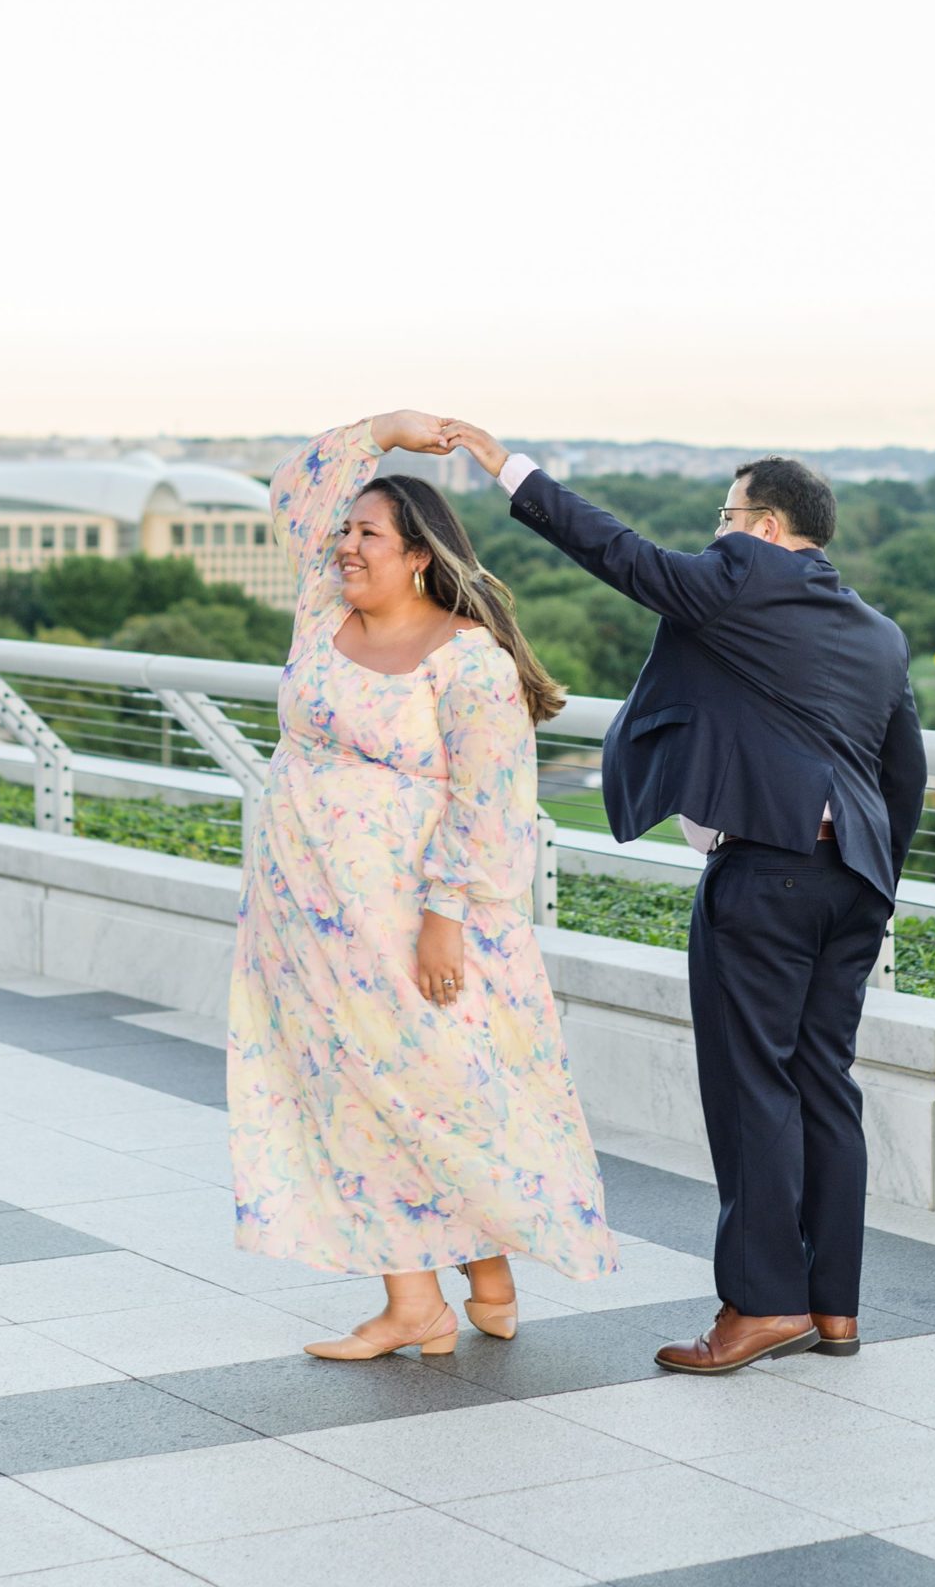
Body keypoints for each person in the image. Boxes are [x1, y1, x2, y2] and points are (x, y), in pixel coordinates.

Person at [444, 420, 926, 1375]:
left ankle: (758, 1307)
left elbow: (621, 557)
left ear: (769, 526)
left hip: (768, 872)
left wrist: (509, 469)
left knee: (751, 1092)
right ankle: (833, 1308)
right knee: (824, 1088)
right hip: (855, 883)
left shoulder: (745, 580)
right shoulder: (875, 631)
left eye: (727, 515)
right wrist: (875, 876)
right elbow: (900, 768)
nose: (716, 534)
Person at [228, 411, 617, 1360]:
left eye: (368, 534)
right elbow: (292, 489)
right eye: (346, 532)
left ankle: (453, 1287)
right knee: (354, 1090)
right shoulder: (325, 615)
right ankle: (448, 1291)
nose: (346, 545)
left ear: (417, 558)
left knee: (436, 1092)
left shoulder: (469, 663)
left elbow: (492, 804)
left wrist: (443, 922)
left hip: (409, 922)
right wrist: (384, 432)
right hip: (303, 919)